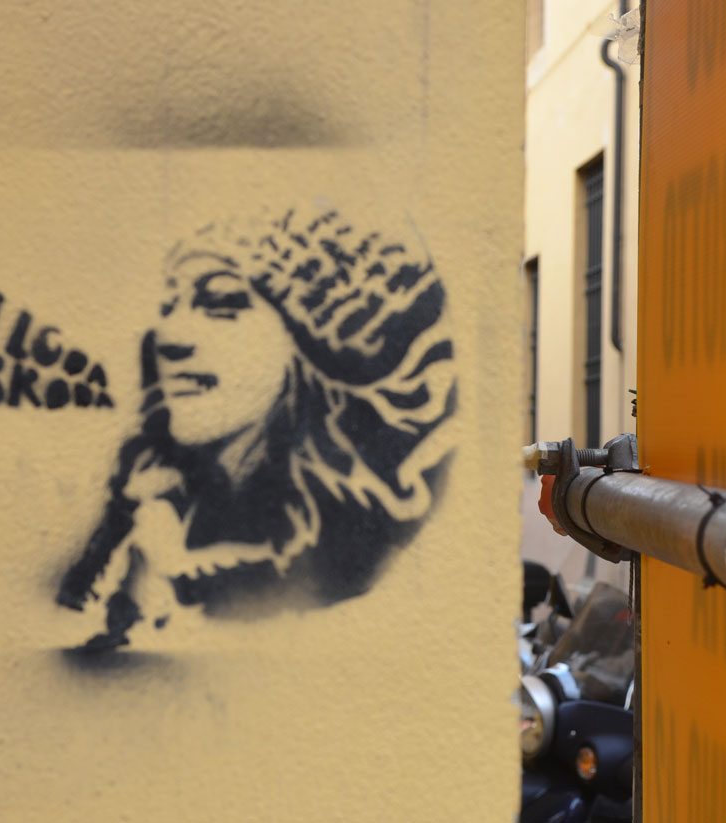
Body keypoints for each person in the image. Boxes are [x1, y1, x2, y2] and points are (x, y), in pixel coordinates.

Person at [56, 205, 456, 651]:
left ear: (308, 340)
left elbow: (290, 596)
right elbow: (76, 601)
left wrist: (165, 561)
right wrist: (122, 519)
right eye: (172, 305)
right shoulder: (165, 480)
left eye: (223, 305)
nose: (170, 336)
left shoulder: (347, 529)